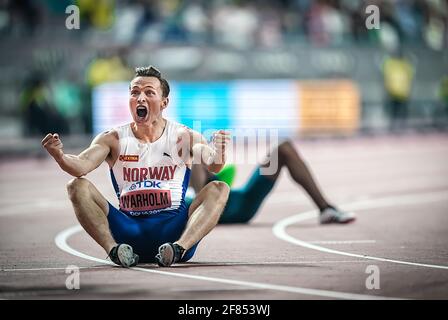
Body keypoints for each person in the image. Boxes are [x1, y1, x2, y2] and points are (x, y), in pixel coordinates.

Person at [41, 66, 231, 268]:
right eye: (135, 92)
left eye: (149, 92)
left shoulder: (183, 136)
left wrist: (219, 150)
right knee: (76, 186)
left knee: (219, 188)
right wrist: (60, 156)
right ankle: (114, 250)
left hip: (174, 229)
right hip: (129, 230)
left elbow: (214, 165)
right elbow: (80, 166)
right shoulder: (112, 138)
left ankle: (177, 249)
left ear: (164, 102)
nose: (140, 98)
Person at [186, 140, 356, 224]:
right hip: (206, 208)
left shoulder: (214, 168)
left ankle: (325, 209)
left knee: (284, 148)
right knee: (191, 150)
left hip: (239, 203)